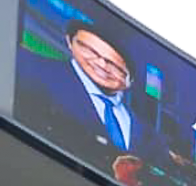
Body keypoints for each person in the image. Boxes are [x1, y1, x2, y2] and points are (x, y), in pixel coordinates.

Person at [11, 18, 163, 172]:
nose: (101, 65)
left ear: (129, 81)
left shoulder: (147, 135)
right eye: (91, 51)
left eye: (114, 65)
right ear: (70, 42)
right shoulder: (29, 68)